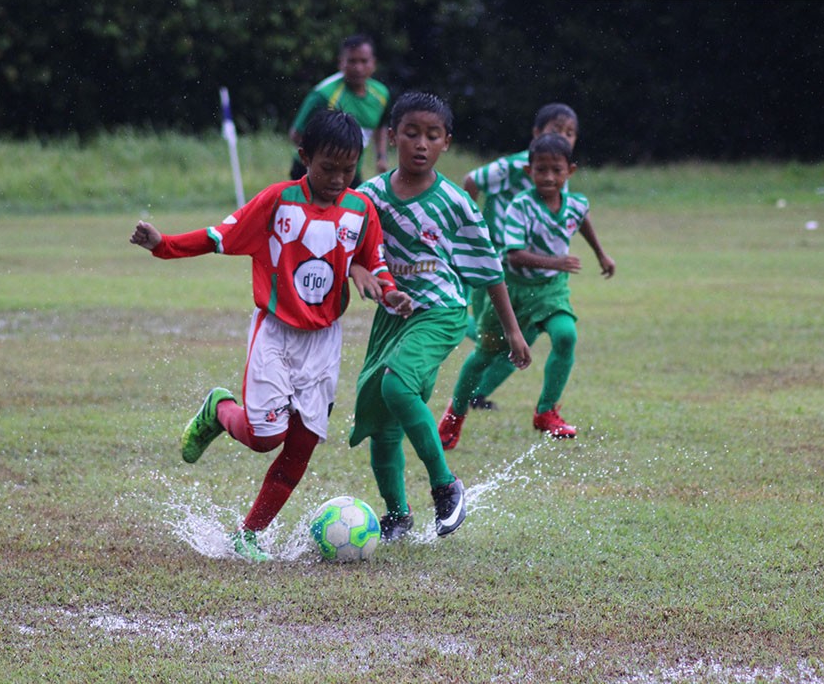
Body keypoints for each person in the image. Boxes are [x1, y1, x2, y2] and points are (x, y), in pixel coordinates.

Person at [130, 110, 412, 561]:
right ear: (304, 157)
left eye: (348, 169)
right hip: (276, 333)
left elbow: (373, 259)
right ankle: (219, 409)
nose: (340, 178)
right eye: (328, 167)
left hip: (324, 342)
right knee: (265, 437)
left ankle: (249, 535)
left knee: (300, 447)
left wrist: (389, 291)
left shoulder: (362, 209)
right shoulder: (278, 201)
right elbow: (219, 235)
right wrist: (163, 245)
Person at [347, 92, 531, 542]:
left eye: (433, 135)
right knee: (381, 422)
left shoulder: (455, 202)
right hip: (393, 318)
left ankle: (446, 487)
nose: (421, 144)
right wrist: (357, 270)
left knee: (395, 383)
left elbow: (489, 268)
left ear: (446, 142)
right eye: (411, 133)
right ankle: (397, 516)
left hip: (442, 311)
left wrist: (511, 329)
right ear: (392, 137)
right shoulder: (367, 197)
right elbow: (344, 248)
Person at [439, 133, 614, 449]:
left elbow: (582, 219)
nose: (549, 177)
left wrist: (601, 254)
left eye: (556, 170)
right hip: (511, 290)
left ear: (569, 172)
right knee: (484, 355)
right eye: (541, 170)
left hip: (550, 290)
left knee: (566, 336)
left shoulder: (575, 203)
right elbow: (513, 255)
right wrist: (557, 261)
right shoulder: (520, 206)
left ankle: (546, 412)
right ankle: (454, 416)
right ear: (528, 172)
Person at [463, 103, 584, 410]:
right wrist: (470, 230)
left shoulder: (559, 170)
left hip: (533, 272)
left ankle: (479, 394)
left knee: (522, 337)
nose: (564, 138)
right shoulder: (517, 165)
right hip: (494, 261)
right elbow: (472, 180)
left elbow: (576, 212)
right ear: (536, 134)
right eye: (556, 130)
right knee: (492, 335)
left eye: (570, 133)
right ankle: (454, 325)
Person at [288, 34, 390, 187]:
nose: (358, 68)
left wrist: (381, 157)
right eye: (352, 61)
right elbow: (296, 134)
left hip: (350, 171)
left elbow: (381, 125)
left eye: (364, 61)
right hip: (311, 172)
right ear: (341, 63)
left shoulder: (381, 94)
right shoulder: (324, 95)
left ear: (373, 63)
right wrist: (321, 163)